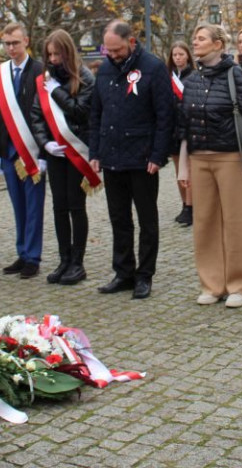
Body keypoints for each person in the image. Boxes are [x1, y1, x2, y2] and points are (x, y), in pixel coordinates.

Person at [177, 24, 242, 308]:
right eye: (195, 38)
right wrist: (183, 164)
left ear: (217, 44)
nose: (195, 42)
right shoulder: (191, 80)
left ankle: (239, 285)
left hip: (229, 158)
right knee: (204, 223)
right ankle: (212, 284)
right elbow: (184, 124)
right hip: (199, 157)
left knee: (235, 222)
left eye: (201, 38)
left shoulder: (235, 74)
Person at [89, 20, 173, 300]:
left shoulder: (153, 67)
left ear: (132, 42)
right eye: (108, 50)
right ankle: (123, 272)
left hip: (143, 157)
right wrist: (95, 152)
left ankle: (144, 275)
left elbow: (165, 116)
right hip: (112, 157)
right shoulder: (105, 70)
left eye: (117, 50)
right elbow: (96, 114)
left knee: (147, 219)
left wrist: (158, 155)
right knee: (119, 218)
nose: (112, 55)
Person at [30, 29, 96, 286]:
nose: (54, 59)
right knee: (59, 207)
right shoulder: (45, 79)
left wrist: (57, 91)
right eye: (50, 55)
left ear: (68, 52)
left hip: (76, 149)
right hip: (56, 151)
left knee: (76, 206)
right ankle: (64, 259)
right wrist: (44, 142)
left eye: (58, 54)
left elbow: (81, 112)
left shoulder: (85, 78)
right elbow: (37, 113)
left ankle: (77, 263)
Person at [0, 23, 46, 279]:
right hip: (9, 150)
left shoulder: (40, 71)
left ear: (26, 41)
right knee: (18, 205)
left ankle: (33, 256)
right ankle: (22, 252)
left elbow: (46, 113)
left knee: (34, 206)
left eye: (15, 43)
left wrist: (44, 152)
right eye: (7, 43)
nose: (11, 48)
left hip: (32, 151)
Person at [167, 41, 194, 227]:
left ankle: (191, 207)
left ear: (187, 56)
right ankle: (184, 203)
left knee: (189, 170)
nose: (177, 58)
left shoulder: (194, 76)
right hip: (173, 128)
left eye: (181, 54)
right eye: (175, 55)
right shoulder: (168, 77)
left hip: (190, 128)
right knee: (179, 171)